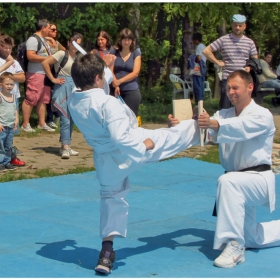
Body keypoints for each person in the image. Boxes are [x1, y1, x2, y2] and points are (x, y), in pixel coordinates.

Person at [67, 53, 207, 275]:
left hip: (105, 162)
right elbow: (121, 138)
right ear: (96, 77)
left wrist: (106, 66)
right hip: (129, 149)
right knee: (170, 137)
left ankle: (106, 252)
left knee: (111, 199)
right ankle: (212, 128)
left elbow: (92, 84)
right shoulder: (107, 104)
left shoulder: (73, 99)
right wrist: (145, 147)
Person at [196, 70, 280, 269]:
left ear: (250, 87)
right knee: (253, 238)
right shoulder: (222, 114)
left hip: (258, 180)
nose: (231, 92)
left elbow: (240, 126)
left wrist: (214, 124)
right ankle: (244, 240)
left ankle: (234, 245)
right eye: (228, 89)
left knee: (227, 182)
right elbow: (204, 133)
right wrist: (182, 125)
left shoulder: (262, 115)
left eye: (235, 88)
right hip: (237, 183)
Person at [203, 14, 258, 109]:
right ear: (232, 25)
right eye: (235, 25)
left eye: (240, 25)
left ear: (244, 26)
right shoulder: (224, 40)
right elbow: (206, 51)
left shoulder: (249, 42)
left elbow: (255, 59)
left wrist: (250, 66)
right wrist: (218, 62)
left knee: (244, 106)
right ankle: (223, 122)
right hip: (227, 78)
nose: (237, 27)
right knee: (225, 107)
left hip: (243, 79)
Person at [42, 33, 83, 159]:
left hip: (74, 87)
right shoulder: (61, 54)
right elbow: (45, 62)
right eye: (73, 42)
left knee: (71, 119)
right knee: (65, 117)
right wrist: (53, 79)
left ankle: (66, 145)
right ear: (69, 41)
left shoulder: (79, 57)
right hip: (62, 86)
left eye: (78, 43)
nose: (75, 45)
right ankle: (65, 146)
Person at [21, 19, 55, 133]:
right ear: (43, 28)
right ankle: (25, 124)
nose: (50, 30)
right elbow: (30, 56)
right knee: (31, 98)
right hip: (36, 73)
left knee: (43, 99)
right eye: (49, 27)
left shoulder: (43, 39)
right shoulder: (33, 39)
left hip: (44, 73)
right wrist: (47, 59)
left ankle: (42, 123)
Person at [0, 34, 26, 167]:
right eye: (6, 48)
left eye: (10, 48)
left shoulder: (14, 62)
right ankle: (4, 159)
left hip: (13, 97)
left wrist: (8, 78)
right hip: (1, 98)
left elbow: (22, 77)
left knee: (10, 133)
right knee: (1, 135)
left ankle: (10, 158)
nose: (8, 51)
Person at [110, 28, 141, 117]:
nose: (126, 42)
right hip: (114, 91)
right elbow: (110, 69)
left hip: (131, 91)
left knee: (130, 119)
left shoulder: (136, 53)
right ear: (120, 40)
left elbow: (135, 73)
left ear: (132, 41)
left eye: (128, 39)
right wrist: (115, 84)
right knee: (114, 118)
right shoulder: (114, 52)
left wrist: (119, 82)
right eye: (124, 39)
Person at [45, 22, 66, 129]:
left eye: (56, 30)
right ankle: (49, 118)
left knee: (54, 95)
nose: (55, 32)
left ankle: (57, 115)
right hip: (45, 71)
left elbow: (65, 53)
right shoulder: (43, 41)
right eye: (53, 30)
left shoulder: (57, 43)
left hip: (55, 72)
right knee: (48, 96)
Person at [0, 72, 18, 172]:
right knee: (0, 146)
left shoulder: (13, 97)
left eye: (11, 84)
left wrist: (16, 120)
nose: (9, 86)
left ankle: (7, 162)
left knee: (8, 146)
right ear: (1, 84)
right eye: (7, 84)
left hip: (10, 126)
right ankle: (0, 163)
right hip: (2, 127)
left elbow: (15, 110)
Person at [190, 32, 207, 104]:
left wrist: (194, 60)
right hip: (204, 67)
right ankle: (202, 100)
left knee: (197, 85)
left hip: (198, 68)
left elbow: (199, 57)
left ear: (196, 40)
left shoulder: (198, 47)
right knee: (201, 85)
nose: (193, 41)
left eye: (193, 40)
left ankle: (198, 101)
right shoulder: (204, 46)